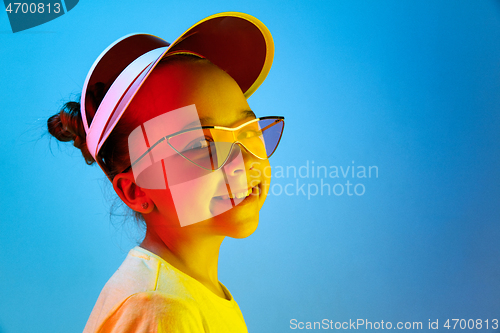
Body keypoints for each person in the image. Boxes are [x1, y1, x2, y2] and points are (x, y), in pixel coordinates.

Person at [47, 12, 284, 333]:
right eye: (203, 145)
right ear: (136, 190)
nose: (244, 161)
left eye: (248, 130)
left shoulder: (187, 292)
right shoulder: (162, 309)